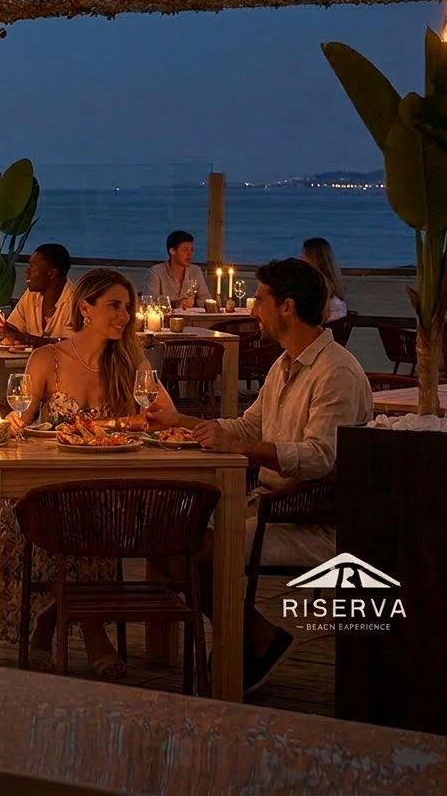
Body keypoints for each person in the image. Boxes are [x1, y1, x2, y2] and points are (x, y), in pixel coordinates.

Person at [147, 258, 372, 695]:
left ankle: (251, 639)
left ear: (288, 307)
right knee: (166, 538)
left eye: (261, 299)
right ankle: (254, 635)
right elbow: (248, 427)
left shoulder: (336, 373)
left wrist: (240, 447)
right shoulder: (286, 365)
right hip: (267, 506)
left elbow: (321, 458)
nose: (253, 310)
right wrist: (180, 422)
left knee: (189, 548)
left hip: (310, 520)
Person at [1, 268, 177, 680]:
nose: (124, 316)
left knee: (85, 514)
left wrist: (115, 425)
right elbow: (21, 418)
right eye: (114, 305)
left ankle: (51, 626)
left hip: (108, 488)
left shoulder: (129, 360)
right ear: (85, 308)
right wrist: (11, 423)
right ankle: (86, 631)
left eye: (127, 307)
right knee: (49, 512)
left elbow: (164, 416)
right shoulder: (47, 359)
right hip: (49, 484)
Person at [0, 243, 75, 347]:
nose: (26, 272)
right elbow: (15, 328)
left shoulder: (75, 301)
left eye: (32, 267)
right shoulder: (31, 295)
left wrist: (26, 339)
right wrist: (2, 329)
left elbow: (72, 344)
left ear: (51, 273)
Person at [144, 230, 211, 309]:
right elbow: (150, 303)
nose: (189, 253)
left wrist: (196, 304)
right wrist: (176, 304)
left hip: (191, 316)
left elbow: (205, 299)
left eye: (191, 250)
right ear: (172, 251)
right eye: (185, 249)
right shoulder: (155, 273)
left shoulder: (195, 271)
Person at [301, 237, 348, 323]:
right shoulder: (332, 289)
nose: (301, 258)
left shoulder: (319, 286)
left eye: (305, 254)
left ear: (314, 258)